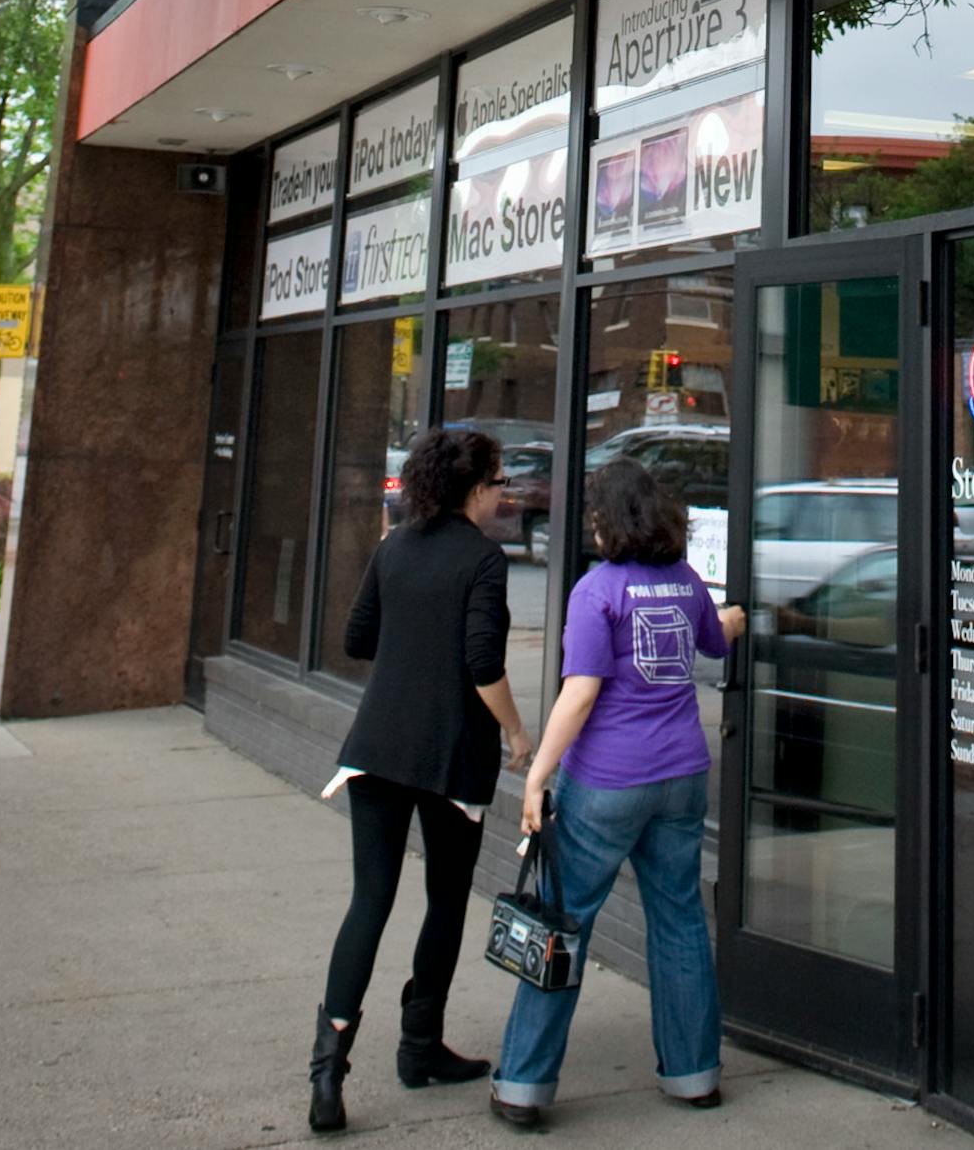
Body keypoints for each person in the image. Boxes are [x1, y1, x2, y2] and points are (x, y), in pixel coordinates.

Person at [491, 457, 745, 1130]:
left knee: (561, 923)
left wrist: (539, 774)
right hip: (682, 778)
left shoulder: (596, 590)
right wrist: (741, 616)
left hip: (606, 781)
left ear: (607, 521)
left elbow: (580, 692)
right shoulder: (685, 581)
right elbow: (717, 640)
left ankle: (522, 1084)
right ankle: (694, 1074)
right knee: (681, 919)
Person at [308, 424, 532, 1134]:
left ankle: (328, 1072)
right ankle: (418, 1046)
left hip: (375, 747)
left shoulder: (392, 547)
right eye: (499, 482)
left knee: (368, 900)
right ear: (474, 488)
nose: (506, 493)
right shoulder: (485, 560)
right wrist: (518, 731)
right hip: (450, 756)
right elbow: (482, 663)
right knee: (444, 898)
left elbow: (356, 639)